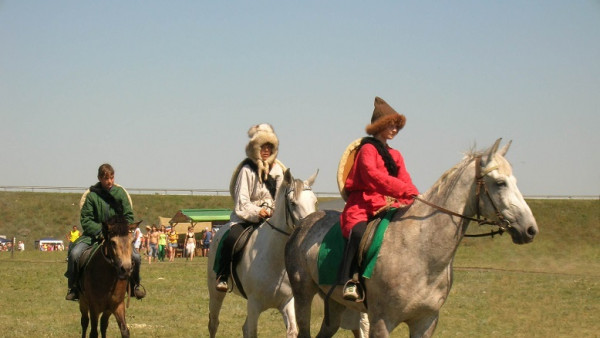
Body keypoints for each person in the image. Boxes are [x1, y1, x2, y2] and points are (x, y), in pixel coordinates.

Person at [339, 97, 419, 301]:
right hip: (362, 205)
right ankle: (351, 280)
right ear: (379, 126)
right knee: (358, 233)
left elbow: (405, 180)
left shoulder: (397, 155)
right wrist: (402, 190)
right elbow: (371, 176)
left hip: (390, 205)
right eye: (390, 125)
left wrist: (415, 196)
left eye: (396, 126)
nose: (394, 129)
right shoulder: (367, 149)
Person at [215, 123, 284, 292]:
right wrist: (257, 212)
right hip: (246, 218)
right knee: (231, 239)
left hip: (271, 218)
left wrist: (272, 210)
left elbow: (280, 198)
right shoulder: (246, 170)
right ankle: (223, 275)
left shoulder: (278, 171)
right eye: (262, 146)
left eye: (269, 146)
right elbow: (242, 201)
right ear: (255, 148)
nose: (266, 150)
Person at [64, 163, 146, 301]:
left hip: (117, 238)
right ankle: (74, 288)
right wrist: (100, 232)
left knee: (136, 258)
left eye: (112, 178)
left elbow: (128, 216)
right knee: (74, 254)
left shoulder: (120, 194)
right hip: (94, 236)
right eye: (106, 178)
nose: (109, 181)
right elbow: (86, 220)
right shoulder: (92, 196)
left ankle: (134, 286)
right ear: (99, 178)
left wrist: (119, 230)